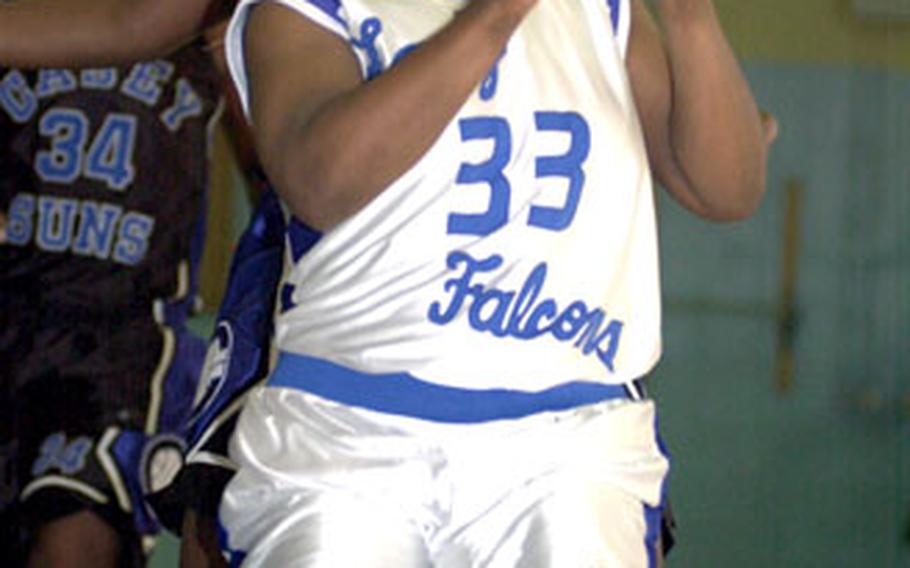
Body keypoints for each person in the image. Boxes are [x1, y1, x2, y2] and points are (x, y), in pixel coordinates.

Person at [216, 0, 769, 565]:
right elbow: (318, 183)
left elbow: (726, 191)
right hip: (346, 431)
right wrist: (495, 18)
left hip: (568, 436)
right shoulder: (308, 10)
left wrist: (690, 19)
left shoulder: (602, 10)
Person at [0, 8, 226, 567]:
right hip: (14, 314)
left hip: (123, 338)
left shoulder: (208, 19)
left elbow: (274, 167)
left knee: (77, 536)